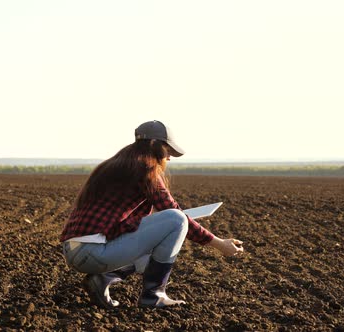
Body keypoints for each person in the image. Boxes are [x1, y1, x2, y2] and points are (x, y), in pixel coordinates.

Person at [60, 120, 244, 308]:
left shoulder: (118, 164)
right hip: (92, 252)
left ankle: (103, 278)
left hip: (77, 251)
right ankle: (153, 295)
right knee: (177, 219)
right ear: (155, 145)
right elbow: (174, 214)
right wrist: (220, 244)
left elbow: (124, 223)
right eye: (168, 151)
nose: (169, 158)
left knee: (154, 253)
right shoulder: (145, 168)